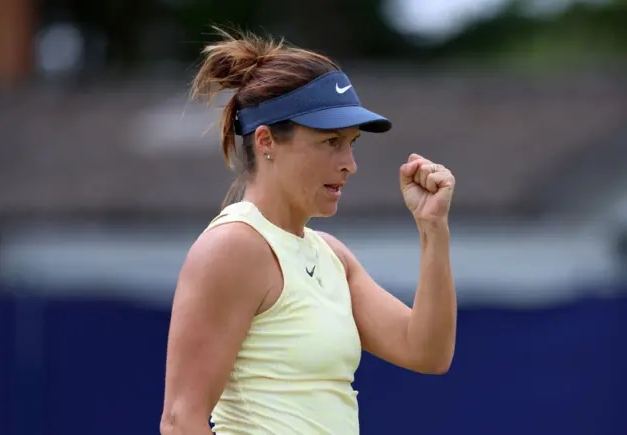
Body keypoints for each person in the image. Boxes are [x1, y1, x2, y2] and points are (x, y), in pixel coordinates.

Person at [160, 29, 457, 435]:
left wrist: (432, 228)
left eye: (352, 143)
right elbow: (181, 420)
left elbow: (428, 352)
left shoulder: (332, 256)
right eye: (330, 141)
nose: (349, 163)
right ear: (266, 141)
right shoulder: (234, 246)